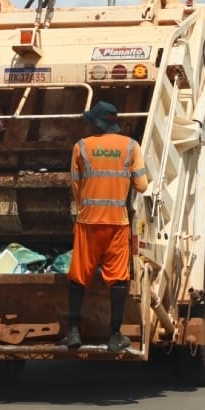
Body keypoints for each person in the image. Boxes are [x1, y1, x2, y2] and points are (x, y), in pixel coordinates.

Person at [58, 101, 149, 352]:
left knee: (79, 276)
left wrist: (86, 205)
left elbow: (75, 185)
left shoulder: (81, 147)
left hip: (88, 222)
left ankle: (74, 332)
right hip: (117, 223)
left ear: (94, 123)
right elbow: (142, 186)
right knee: (118, 278)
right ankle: (115, 335)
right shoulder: (131, 146)